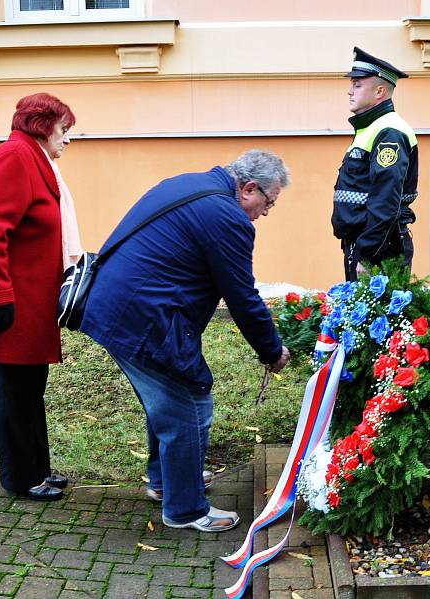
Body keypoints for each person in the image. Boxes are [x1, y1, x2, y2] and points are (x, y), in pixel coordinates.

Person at [80, 150, 291, 532]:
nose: (265, 212)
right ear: (248, 188)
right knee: (189, 406)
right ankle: (186, 509)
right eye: (268, 202)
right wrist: (272, 350)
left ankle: (168, 482)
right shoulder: (227, 218)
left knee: (167, 402)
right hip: (143, 317)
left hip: (119, 306)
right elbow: (242, 296)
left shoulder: (190, 183)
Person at [0, 93, 82, 501]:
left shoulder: (34, 158)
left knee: (31, 384)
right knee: (14, 388)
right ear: (43, 126)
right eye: (64, 130)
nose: (67, 139)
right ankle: (21, 477)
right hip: (12, 300)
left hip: (31, 298)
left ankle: (38, 468)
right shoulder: (14, 157)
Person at [331, 47, 419, 281]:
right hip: (366, 245)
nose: (350, 91)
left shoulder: (389, 132)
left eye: (357, 84)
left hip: (379, 251)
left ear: (380, 91)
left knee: (378, 318)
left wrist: (368, 254)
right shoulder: (370, 128)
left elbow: (385, 201)